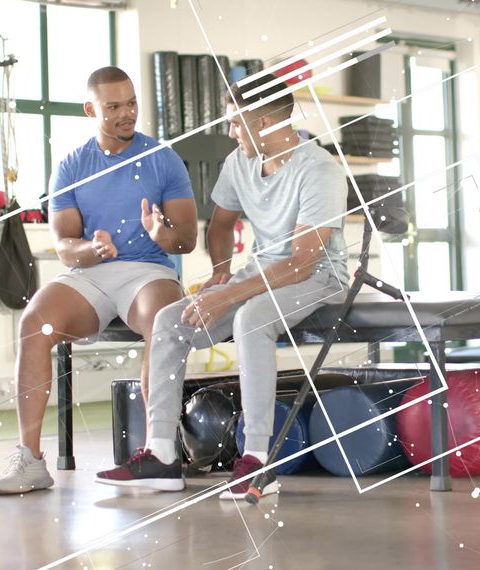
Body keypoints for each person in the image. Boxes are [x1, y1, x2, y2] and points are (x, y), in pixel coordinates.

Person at [96, 73, 350, 499]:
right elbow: (220, 224)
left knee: (251, 318)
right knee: (169, 320)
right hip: (263, 270)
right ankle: (161, 453)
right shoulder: (240, 163)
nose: (230, 131)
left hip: (321, 276)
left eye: (236, 122)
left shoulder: (320, 171)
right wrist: (220, 272)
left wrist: (229, 295)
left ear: (266, 122)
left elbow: (304, 261)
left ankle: (256, 461)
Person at [0, 67, 198, 494]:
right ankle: (30, 460)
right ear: (91, 109)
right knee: (33, 323)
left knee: (162, 320)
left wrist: (163, 235)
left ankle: (159, 454)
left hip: (148, 271)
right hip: (89, 274)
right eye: (114, 107)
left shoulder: (163, 158)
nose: (127, 114)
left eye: (132, 103)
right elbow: (65, 247)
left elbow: (187, 240)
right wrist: (93, 249)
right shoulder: (71, 166)